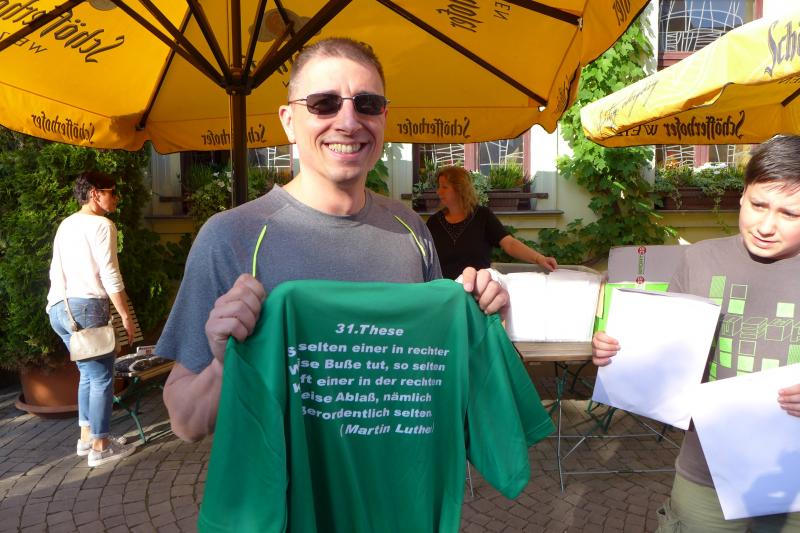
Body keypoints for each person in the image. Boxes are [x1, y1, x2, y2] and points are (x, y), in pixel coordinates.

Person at [158, 38, 509, 443]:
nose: (348, 122)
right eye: (323, 103)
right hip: (289, 484)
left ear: (383, 117)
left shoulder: (410, 229)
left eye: (367, 104)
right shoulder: (231, 236)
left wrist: (485, 321)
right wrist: (224, 365)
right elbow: (186, 423)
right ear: (288, 120)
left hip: (397, 477)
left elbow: (441, 376)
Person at [592, 135, 800, 532]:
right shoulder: (699, 259)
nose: (766, 226)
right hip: (705, 471)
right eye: (758, 205)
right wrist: (617, 353)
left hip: (793, 480)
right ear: (742, 194)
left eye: (790, 214)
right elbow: (663, 352)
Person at [47, 171, 136, 468]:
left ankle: (87, 438)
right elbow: (110, 273)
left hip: (58, 308)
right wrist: (125, 315)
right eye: (113, 192)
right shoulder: (102, 225)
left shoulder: (67, 224)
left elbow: (55, 270)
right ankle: (100, 447)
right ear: (95, 193)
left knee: (88, 374)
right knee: (101, 378)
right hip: (86, 306)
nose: (117, 198)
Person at [426, 166, 558, 279]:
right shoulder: (434, 223)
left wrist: (539, 258)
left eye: (444, 187)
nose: (438, 191)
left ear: (460, 189)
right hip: (444, 293)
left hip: (478, 292)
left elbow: (509, 243)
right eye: (439, 187)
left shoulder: (482, 216)